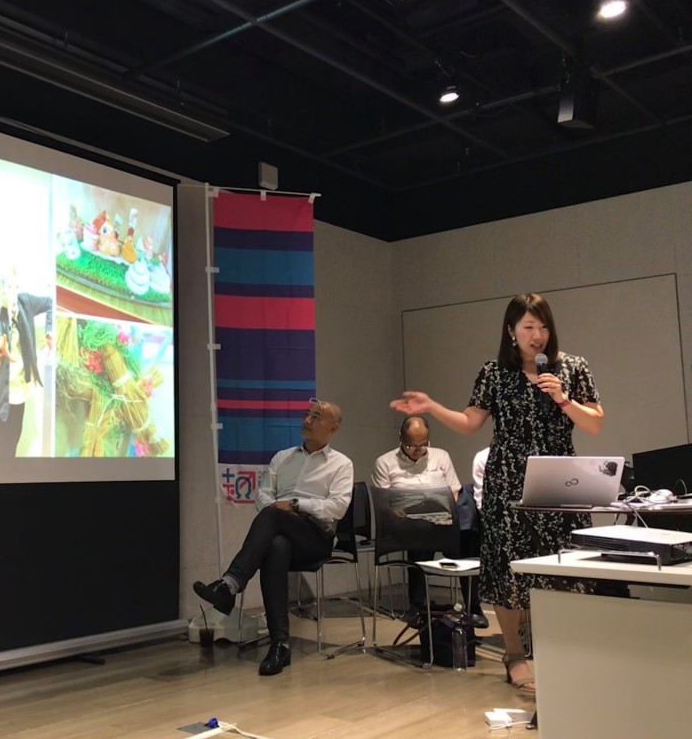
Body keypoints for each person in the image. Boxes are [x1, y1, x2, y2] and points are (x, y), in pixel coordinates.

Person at [390, 293, 603, 694]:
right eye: (528, 327)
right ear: (511, 331)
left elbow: (594, 423)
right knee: (509, 569)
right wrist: (432, 406)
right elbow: (470, 422)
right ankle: (514, 654)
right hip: (508, 480)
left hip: (559, 479)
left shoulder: (573, 367)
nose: (537, 336)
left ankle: (565, 650)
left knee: (567, 566)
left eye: (543, 327)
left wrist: (562, 398)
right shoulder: (495, 373)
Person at [193, 399, 354, 676]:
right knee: (276, 545)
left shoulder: (341, 464)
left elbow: (337, 508)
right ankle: (280, 645)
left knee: (273, 516)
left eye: (316, 416)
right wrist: (277, 509)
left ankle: (230, 585)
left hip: (315, 537)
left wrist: (295, 505)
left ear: (333, 427)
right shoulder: (283, 457)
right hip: (281, 529)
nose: (308, 419)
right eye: (307, 414)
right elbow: (263, 494)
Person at [371, 416, 486, 628]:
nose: (418, 450)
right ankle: (417, 606)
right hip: (407, 522)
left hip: (443, 518)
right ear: (400, 438)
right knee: (420, 537)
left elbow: (454, 490)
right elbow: (384, 503)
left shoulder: (441, 456)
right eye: (412, 446)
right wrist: (404, 512)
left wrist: (443, 510)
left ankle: (473, 607)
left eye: (423, 445)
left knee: (466, 538)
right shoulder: (384, 463)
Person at [0, 269, 53, 457]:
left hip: (20, 393)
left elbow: (50, 303)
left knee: (12, 445)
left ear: (16, 285)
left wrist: (50, 330)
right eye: (1, 286)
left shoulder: (25, 302)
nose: (6, 291)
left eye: (10, 285)